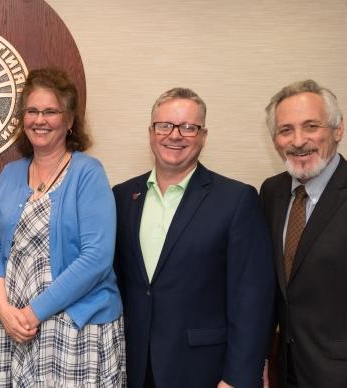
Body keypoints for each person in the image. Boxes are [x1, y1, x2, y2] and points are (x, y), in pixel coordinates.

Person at [113, 87, 276, 388]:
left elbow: (252, 299)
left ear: (203, 135)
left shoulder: (236, 199)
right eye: (165, 125)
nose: (175, 135)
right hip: (133, 367)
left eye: (189, 127)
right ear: (151, 132)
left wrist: (239, 378)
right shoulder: (123, 197)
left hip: (204, 371)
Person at [0, 68, 125, 387]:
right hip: (16, 329)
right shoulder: (9, 174)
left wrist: (32, 314)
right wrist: (4, 309)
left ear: (70, 120)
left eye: (51, 111)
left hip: (76, 330)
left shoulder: (88, 173)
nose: (40, 119)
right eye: (32, 111)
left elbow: (97, 259)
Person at [260, 80, 347, 387]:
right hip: (287, 370)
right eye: (286, 130)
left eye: (311, 126)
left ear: (338, 129)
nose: (298, 140)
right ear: (274, 140)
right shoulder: (271, 192)